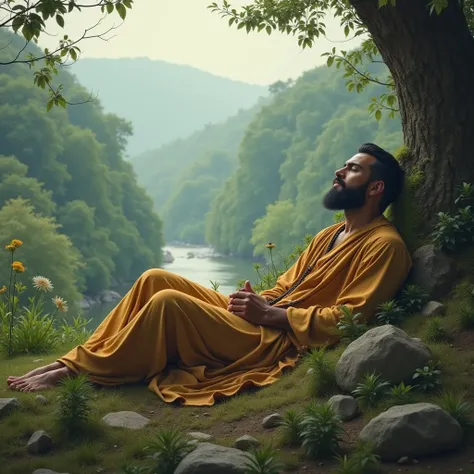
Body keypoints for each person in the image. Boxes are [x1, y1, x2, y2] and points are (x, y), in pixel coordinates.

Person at [7, 143, 412, 406]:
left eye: (353, 170)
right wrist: (257, 299)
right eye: (343, 166)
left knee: (168, 303)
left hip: (277, 339)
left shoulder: (385, 246)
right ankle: (75, 360)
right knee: (154, 279)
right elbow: (288, 286)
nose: (339, 172)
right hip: (267, 318)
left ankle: (76, 372)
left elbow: (351, 318)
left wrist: (269, 315)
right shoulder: (332, 234)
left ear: (375, 188)